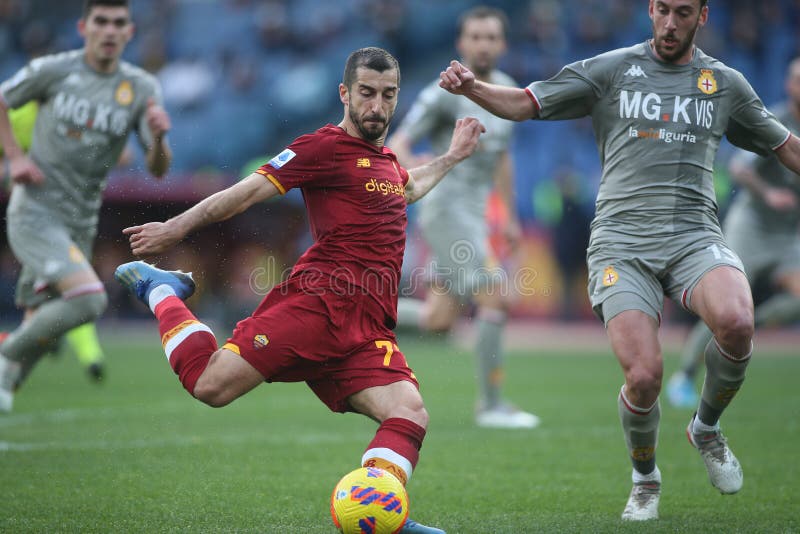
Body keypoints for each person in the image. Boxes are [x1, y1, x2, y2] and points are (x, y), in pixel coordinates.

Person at [439, 0, 800, 521]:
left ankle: (705, 428)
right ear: (650, 11)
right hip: (621, 244)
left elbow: (784, 144)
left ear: (703, 16)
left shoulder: (724, 84)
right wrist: (473, 87)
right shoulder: (611, 70)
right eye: (663, 12)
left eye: (683, 13)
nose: (670, 24)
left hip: (694, 236)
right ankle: (645, 477)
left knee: (739, 322)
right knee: (644, 376)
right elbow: (524, 102)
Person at [114, 47, 484, 534]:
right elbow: (245, 192)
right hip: (314, 307)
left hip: (365, 326)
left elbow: (408, 187)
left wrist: (453, 157)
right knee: (209, 385)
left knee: (409, 413)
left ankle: (382, 514)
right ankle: (161, 291)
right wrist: (177, 228)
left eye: (388, 95)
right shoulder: (320, 149)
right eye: (367, 94)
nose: (377, 106)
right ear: (344, 94)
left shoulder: (386, 161)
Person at [0, 0, 172, 412]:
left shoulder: (142, 87)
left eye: (118, 23)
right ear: (84, 27)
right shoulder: (55, 70)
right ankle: (4, 358)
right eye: (101, 22)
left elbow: (158, 169)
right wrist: (16, 158)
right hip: (36, 210)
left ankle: (8, 378)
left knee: (44, 323)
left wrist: (160, 139)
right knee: (90, 300)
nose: (109, 30)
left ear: (129, 32)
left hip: (81, 219)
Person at [389, 6, 539, 430]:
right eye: (475, 36)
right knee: (497, 295)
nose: (483, 44)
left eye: (491, 37)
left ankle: (348, 307)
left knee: (439, 319)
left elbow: (502, 158)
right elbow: (399, 141)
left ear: (503, 44)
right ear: (461, 43)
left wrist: (508, 215)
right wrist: (413, 165)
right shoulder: (442, 93)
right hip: (446, 210)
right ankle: (491, 405)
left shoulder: (508, 90)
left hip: (475, 215)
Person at [667, 57, 800, 408]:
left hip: (787, 236)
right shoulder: (776, 121)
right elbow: (739, 168)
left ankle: (755, 321)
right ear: (789, 85)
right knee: (724, 306)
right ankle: (683, 375)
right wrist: (768, 193)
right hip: (752, 228)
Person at [0, 101, 107, 383]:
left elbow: (119, 155)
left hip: (68, 220)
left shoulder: (77, 114)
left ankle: (26, 351)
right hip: (33, 222)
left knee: (72, 292)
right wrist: (14, 164)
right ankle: (23, 355)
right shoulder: (17, 115)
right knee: (74, 293)